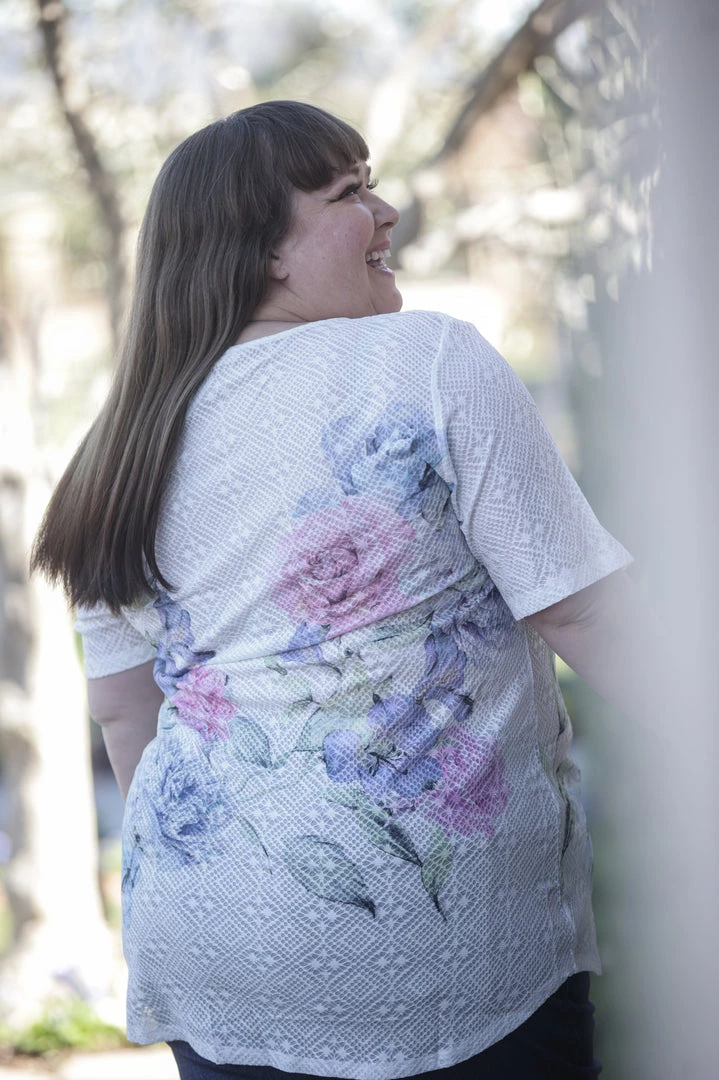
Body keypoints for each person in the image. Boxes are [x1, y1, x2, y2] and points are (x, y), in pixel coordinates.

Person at [32, 100, 662, 1080]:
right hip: (445, 962)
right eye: (349, 193)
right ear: (265, 250)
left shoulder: (118, 446)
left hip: (209, 947)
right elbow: (583, 608)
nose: (387, 212)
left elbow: (124, 715)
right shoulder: (425, 360)